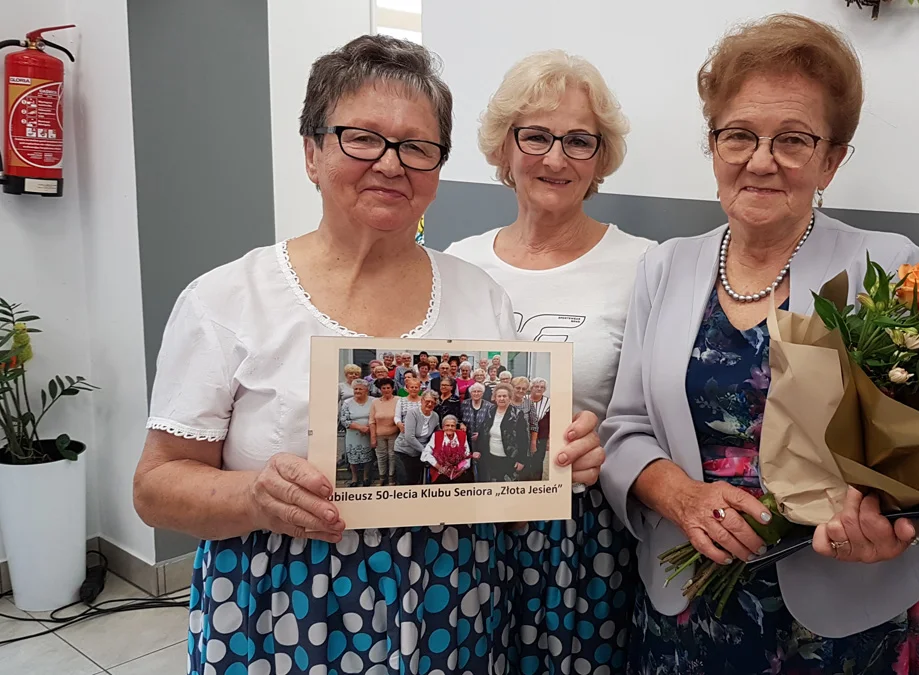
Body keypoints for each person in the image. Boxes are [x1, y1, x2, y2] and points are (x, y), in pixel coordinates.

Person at [132, 35, 606, 675]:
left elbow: (499, 473)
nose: (391, 163)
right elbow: (156, 487)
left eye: (417, 147)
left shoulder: (480, 295)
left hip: (455, 604)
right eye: (361, 138)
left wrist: (559, 458)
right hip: (285, 606)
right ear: (312, 152)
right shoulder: (227, 300)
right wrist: (254, 497)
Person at [599, 15, 919, 675]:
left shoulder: (889, 267)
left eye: (793, 139)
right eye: (739, 134)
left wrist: (891, 522)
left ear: (831, 160)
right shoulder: (665, 267)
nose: (761, 160)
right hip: (688, 608)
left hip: (845, 616)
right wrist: (681, 496)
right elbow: (625, 430)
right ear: (713, 145)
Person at [445, 49, 655, 673]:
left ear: (601, 159)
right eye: (535, 136)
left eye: (579, 141)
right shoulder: (456, 263)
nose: (556, 159)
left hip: (584, 534)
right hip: (469, 528)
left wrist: (602, 448)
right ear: (503, 148)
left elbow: (663, 415)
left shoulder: (646, 265)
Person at [478, 383, 534, 482]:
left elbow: (523, 438)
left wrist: (521, 460)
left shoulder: (517, 414)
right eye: (499, 396)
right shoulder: (490, 411)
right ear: (495, 398)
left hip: (509, 457)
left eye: (505, 396)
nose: (502, 398)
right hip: (491, 456)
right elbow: (483, 432)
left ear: (510, 398)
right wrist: (478, 450)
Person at [421, 415, 477, 484]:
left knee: (467, 479)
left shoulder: (462, 435)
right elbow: (426, 453)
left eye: (452, 426)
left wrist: (460, 469)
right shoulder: (436, 435)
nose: (450, 428)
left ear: (455, 427)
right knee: (442, 481)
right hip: (441, 471)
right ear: (443, 427)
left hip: (459, 470)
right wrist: (438, 467)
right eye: (447, 425)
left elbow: (467, 455)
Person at [339, 379, 375, 486]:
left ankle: (366, 477)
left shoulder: (373, 401)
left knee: (368, 456)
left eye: (360, 389)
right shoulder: (347, 403)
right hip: (353, 433)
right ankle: (354, 478)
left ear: (366, 390)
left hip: (369, 432)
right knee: (353, 457)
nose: (357, 391)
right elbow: (344, 420)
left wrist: (368, 428)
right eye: (356, 389)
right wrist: (360, 428)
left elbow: (376, 416)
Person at [369, 376, 400, 486]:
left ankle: (391, 477)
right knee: (381, 456)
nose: (386, 390)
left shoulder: (398, 400)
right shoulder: (375, 402)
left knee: (392, 456)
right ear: (380, 389)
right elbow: (372, 421)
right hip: (379, 434)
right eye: (383, 388)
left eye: (388, 388)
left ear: (392, 388)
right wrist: (373, 437)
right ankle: (382, 477)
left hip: (393, 434)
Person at [460, 381, 496, 451]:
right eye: (474, 391)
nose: (476, 393)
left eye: (479, 391)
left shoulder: (490, 406)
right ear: (470, 393)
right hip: (466, 438)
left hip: (484, 439)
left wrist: (481, 435)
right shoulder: (464, 404)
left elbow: (491, 423)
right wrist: (461, 424)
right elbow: (459, 417)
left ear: (482, 393)